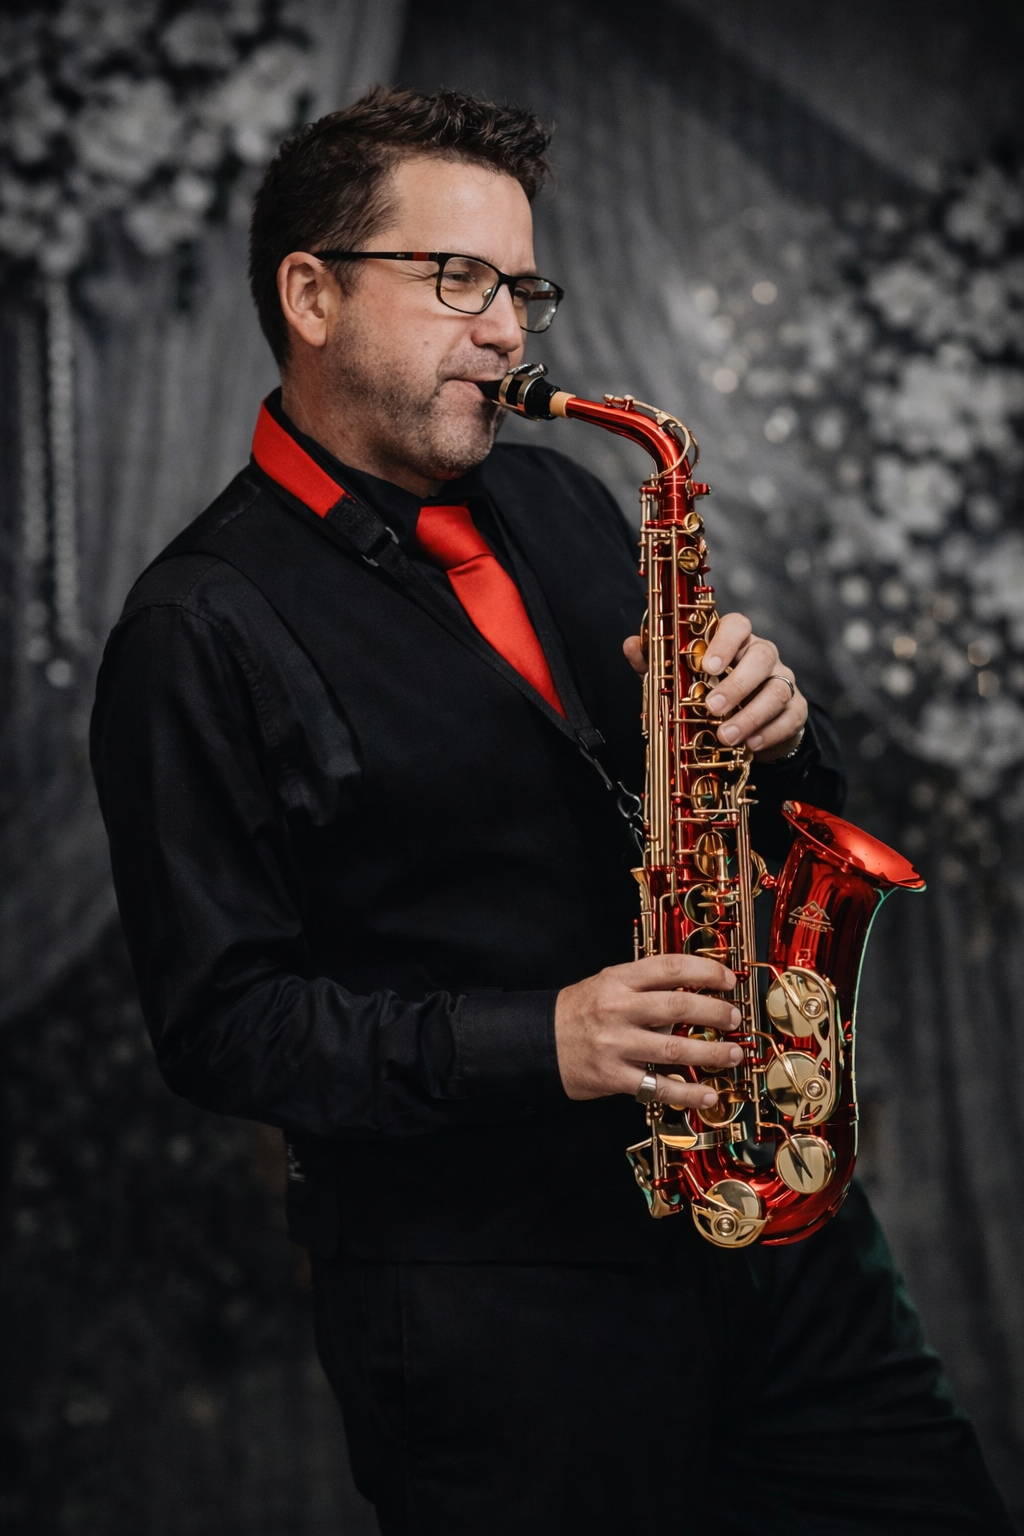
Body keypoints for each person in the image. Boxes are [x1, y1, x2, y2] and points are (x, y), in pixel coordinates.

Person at [90, 86, 1012, 1536]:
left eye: (523, 286)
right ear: (311, 293)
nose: (511, 330)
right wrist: (553, 1037)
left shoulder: (572, 506)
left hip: (767, 1232)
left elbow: (749, 817)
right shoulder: (197, 629)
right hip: (496, 1321)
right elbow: (222, 1027)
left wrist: (778, 734)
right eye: (456, 280)